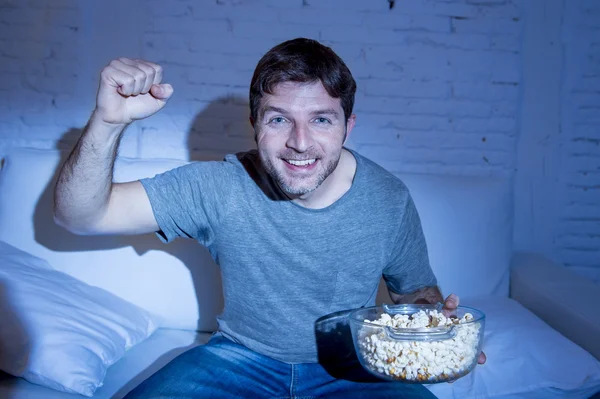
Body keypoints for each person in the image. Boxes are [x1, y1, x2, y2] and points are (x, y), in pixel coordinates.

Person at [54, 38, 485, 399]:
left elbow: (417, 294)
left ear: (347, 126)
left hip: (355, 366)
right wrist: (107, 122)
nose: (300, 143)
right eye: (279, 119)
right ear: (255, 123)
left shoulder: (388, 198)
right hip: (237, 360)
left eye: (320, 119)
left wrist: (437, 331)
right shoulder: (218, 185)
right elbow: (82, 216)